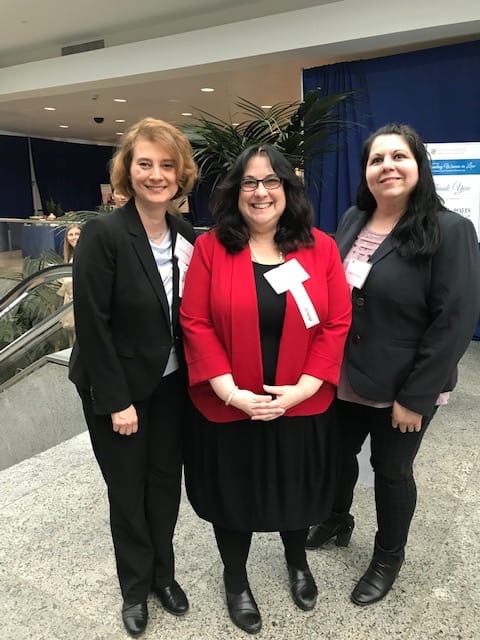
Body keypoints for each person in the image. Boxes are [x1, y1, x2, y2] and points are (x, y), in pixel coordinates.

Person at [180, 144, 351, 634]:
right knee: (234, 495)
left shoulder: (320, 247)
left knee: (294, 488)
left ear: (288, 190)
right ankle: (236, 580)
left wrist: (303, 388)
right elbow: (194, 320)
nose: (260, 192)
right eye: (250, 183)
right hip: (230, 404)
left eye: (271, 181)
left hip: (298, 403)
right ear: (235, 193)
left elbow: (336, 323)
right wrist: (229, 390)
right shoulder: (214, 247)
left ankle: (297, 562)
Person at [306, 123, 480, 606]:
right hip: (346, 373)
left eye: (398, 157)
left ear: (418, 165)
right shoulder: (352, 219)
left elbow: (454, 322)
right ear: (366, 172)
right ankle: (338, 517)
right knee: (336, 456)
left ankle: (388, 557)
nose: (387, 167)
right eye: (376, 159)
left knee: (391, 470)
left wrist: (414, 397)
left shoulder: (450, 230)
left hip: (404, 383)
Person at [69, 117, 197, 637]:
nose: (156, 174)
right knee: (127, 490)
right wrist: (117, 401)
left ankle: (163, 576)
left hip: (170, 386)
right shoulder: (104, 234)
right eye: (145, 163)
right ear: (128, 170)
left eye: (167, 165)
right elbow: (92, 325)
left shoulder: (186, 234)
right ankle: (134, 587)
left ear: (180, 173)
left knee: (165, 486)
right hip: (117, 388)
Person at [57, 223, 81, 341]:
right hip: (70, 307)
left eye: (77, 234)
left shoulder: (86, 254)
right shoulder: (70, 256)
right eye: (70, 235)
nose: (74, 237)